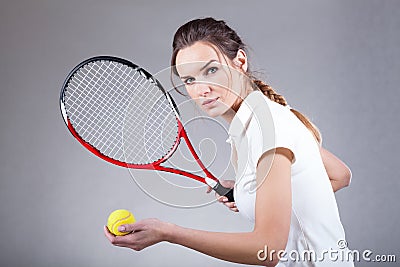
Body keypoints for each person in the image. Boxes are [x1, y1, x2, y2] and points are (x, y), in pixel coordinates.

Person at [104, 17, 354, 267]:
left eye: (211, 70)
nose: (201, 89)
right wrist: (261, 195)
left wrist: (170, 233)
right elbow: (340, 174)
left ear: (240, 62)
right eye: (189, 80)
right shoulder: (261, 120)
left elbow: (267, 250)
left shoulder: (269, 131)